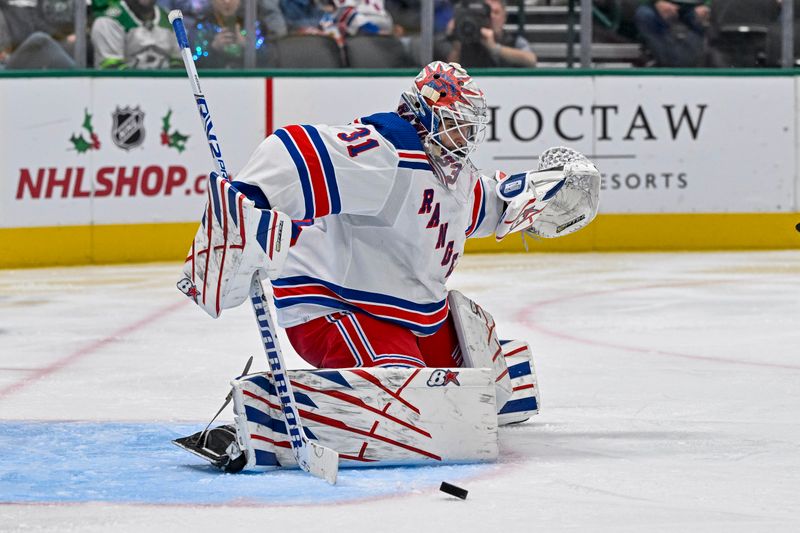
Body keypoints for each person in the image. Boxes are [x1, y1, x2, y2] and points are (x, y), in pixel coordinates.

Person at [446, 0, 537, 68]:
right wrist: (456, 39)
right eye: (487, 12)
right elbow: (449, 70)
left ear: (504, 17)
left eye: (496, 12)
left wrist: (495, 48)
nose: (492, 16)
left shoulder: (515, 40)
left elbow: (531, 60)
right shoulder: (465, 40)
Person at [91, 0, 181, 69]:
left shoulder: (171, 20)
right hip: (123, 91)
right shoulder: (108, 21)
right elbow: (111, 71)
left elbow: (179, 63)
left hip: (166, 90)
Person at [191, 0, 269, 68]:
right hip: (211, 80)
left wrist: (247, 46)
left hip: (246, 80)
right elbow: (193, 63)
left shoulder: (252, 24)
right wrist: (213, 48)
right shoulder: (202, 26)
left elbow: (269, 59)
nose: (227, 1)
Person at [634, 0, 711, 67]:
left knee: (715, 16)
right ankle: (666, 65)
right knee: (644, 15)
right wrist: (657, 2)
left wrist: (708, 6)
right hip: (657, 7)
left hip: (697, 8)